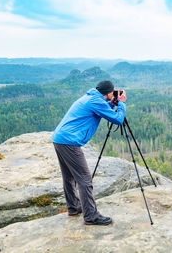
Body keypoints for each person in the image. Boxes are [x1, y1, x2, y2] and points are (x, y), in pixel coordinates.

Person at [52, 80, 126, 225]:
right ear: (109, 93)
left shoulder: (91, 98)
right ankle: (91, 216)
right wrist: (122, 103)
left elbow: (102, 109)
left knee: (68, 176)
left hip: (59, 139)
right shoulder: (96, 101)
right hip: (69, 142)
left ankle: (74, 207)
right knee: (85, 179)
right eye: (112, 93)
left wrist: (112, 104)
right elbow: (118, 119)